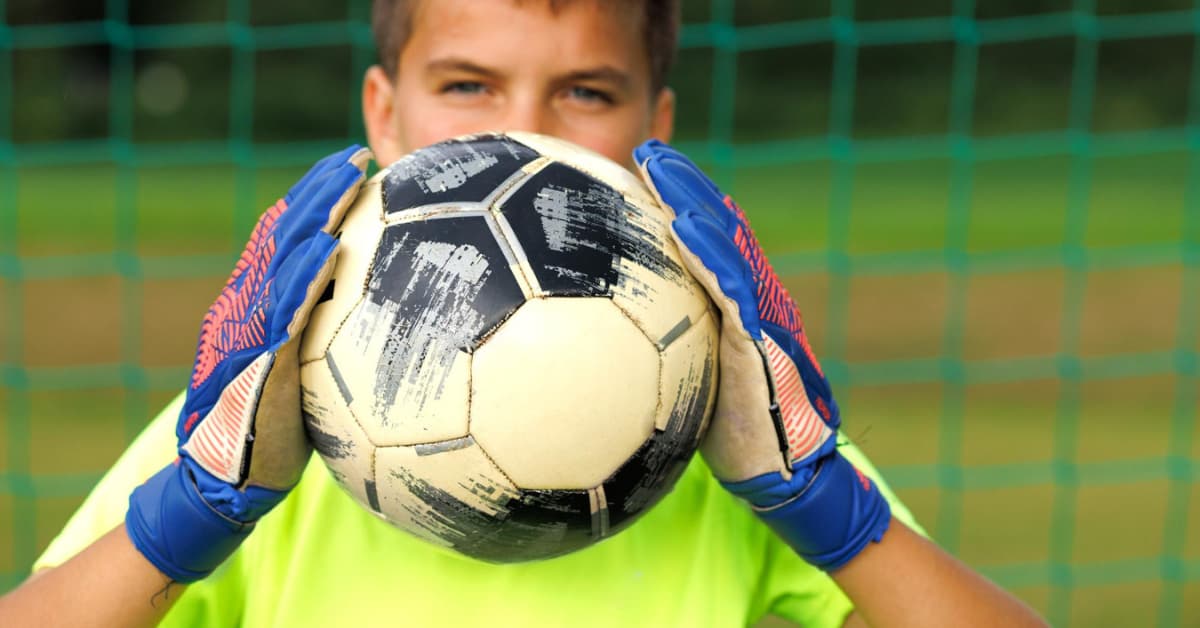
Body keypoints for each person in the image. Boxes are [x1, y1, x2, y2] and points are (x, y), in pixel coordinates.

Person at [0, 1, 1047, 626]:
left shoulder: (729, 414)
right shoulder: (267, 412)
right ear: (383, 111)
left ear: (658, 131)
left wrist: (834, 510)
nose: (524, 134)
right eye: (467, 84)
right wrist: (187, 514)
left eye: (586, 92)